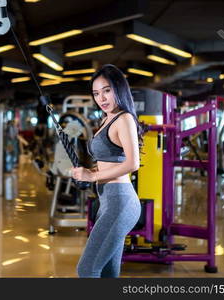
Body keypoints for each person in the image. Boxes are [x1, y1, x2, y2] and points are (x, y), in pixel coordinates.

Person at [71, 64, 142, 278]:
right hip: (107, 202)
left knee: (87, 269)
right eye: (96, 93)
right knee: (109, 273)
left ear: (118, 89)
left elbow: (132, 163)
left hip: (121, 202)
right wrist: (90, 170)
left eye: (107, 90)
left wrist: (92, 176)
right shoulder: (106, 119)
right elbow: (111, 159)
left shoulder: (124, 118)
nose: (101, 98)